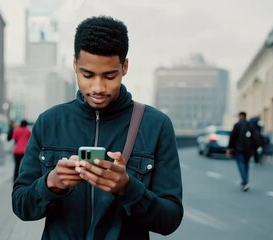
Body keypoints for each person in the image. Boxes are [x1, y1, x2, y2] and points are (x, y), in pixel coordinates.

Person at [12, 16, 183, 239]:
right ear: (75, 65)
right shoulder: (49, 122)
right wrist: (50, 183)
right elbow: (20, 205)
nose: (98, 88)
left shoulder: (155, 125)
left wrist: (128, 189)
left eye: (110, 76)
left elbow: (170, 219)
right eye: (87, 75)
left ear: (125, 67)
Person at [227, 111, 258, 192]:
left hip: (239, 148)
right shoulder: (251, 125)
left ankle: (245, 181)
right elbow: (255, 137)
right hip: (249, 149)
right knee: (246, 165)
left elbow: (232, 137)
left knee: (241, 164)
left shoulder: (237, 125)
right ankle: (245, 180)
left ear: (241, 116)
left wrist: (229, 148)